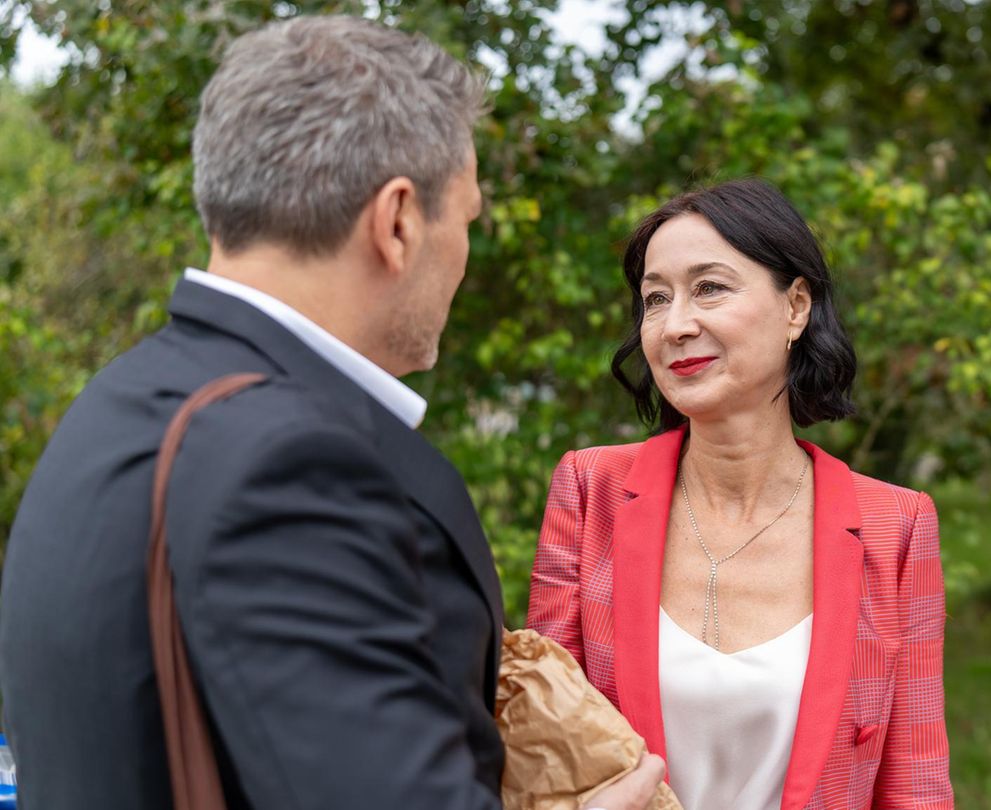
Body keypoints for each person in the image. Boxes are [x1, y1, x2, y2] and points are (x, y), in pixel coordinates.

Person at [0, 16, 661, 810]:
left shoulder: (116, 405)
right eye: (467, 219)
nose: (465, 252)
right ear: (398, 222)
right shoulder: (287, 464)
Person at [527, 178, 954, 810]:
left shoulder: (897, 525)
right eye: (654, 299)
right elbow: (543, 748)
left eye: (709, 288)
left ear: (796, 307)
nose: (674, 325)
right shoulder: (590, 493)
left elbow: (915, 783)